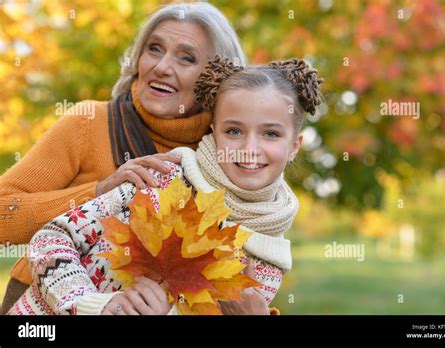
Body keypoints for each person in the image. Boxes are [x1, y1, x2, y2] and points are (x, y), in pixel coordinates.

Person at [7, 56, 323, 315]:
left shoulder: (269, 256)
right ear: (213, 131)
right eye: (234, 131)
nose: (249, 148)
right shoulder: (165, 178)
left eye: (270, 134)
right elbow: (51, 237)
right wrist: (92, 306)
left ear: (294, 145)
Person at [0, 2, 246, 313]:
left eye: (186, 57)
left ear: (216, 78)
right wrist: (99, 191)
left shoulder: (226, 157)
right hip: (45, 306)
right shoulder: (88, 121)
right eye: (154, 49)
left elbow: (237, 274)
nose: (162, 67)